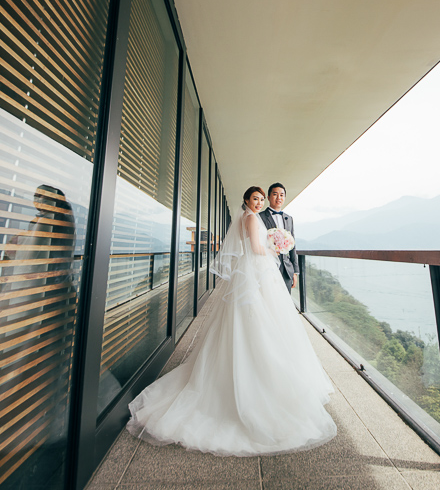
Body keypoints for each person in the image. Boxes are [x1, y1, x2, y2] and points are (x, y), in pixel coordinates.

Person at [126, 186, 336, 456]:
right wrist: (275, 248)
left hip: (251, 272)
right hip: (257, 271)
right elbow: (257, 248)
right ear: (246, 200)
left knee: (251, 320)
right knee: (259, 320)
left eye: (261, 199)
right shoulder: (251, 219)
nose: (259, 202)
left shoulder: (248, 217)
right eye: (255, 199)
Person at [258, 182, 299, 291]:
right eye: (275, 194)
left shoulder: (289, 218)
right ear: (268, 197)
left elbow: (293, 246)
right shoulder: (260, 217)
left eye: (281, 195)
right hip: (267, 267)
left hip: (287, 270)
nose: (279, 198)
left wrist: (295, 272)